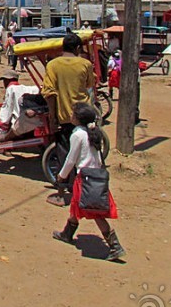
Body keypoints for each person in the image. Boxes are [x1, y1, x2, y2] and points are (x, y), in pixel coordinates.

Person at [52, 102, 125, 262]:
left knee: (94, 212)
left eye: (73, 114)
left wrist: (62, 176)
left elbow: (71, 159)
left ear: (78, 119)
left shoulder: (77, 135)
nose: (70, 115)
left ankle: (114, 245)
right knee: (77, 206)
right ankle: (67, 233)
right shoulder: (93, 132)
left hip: (84, 177)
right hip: (95, 175)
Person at [40, 32, 95, 139]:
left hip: (64, 116)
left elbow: (49, 94)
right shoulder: (85, 64)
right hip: (84, 114)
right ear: (78, 48)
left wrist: (53, 118)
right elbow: (89, 84)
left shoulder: (52, 65)